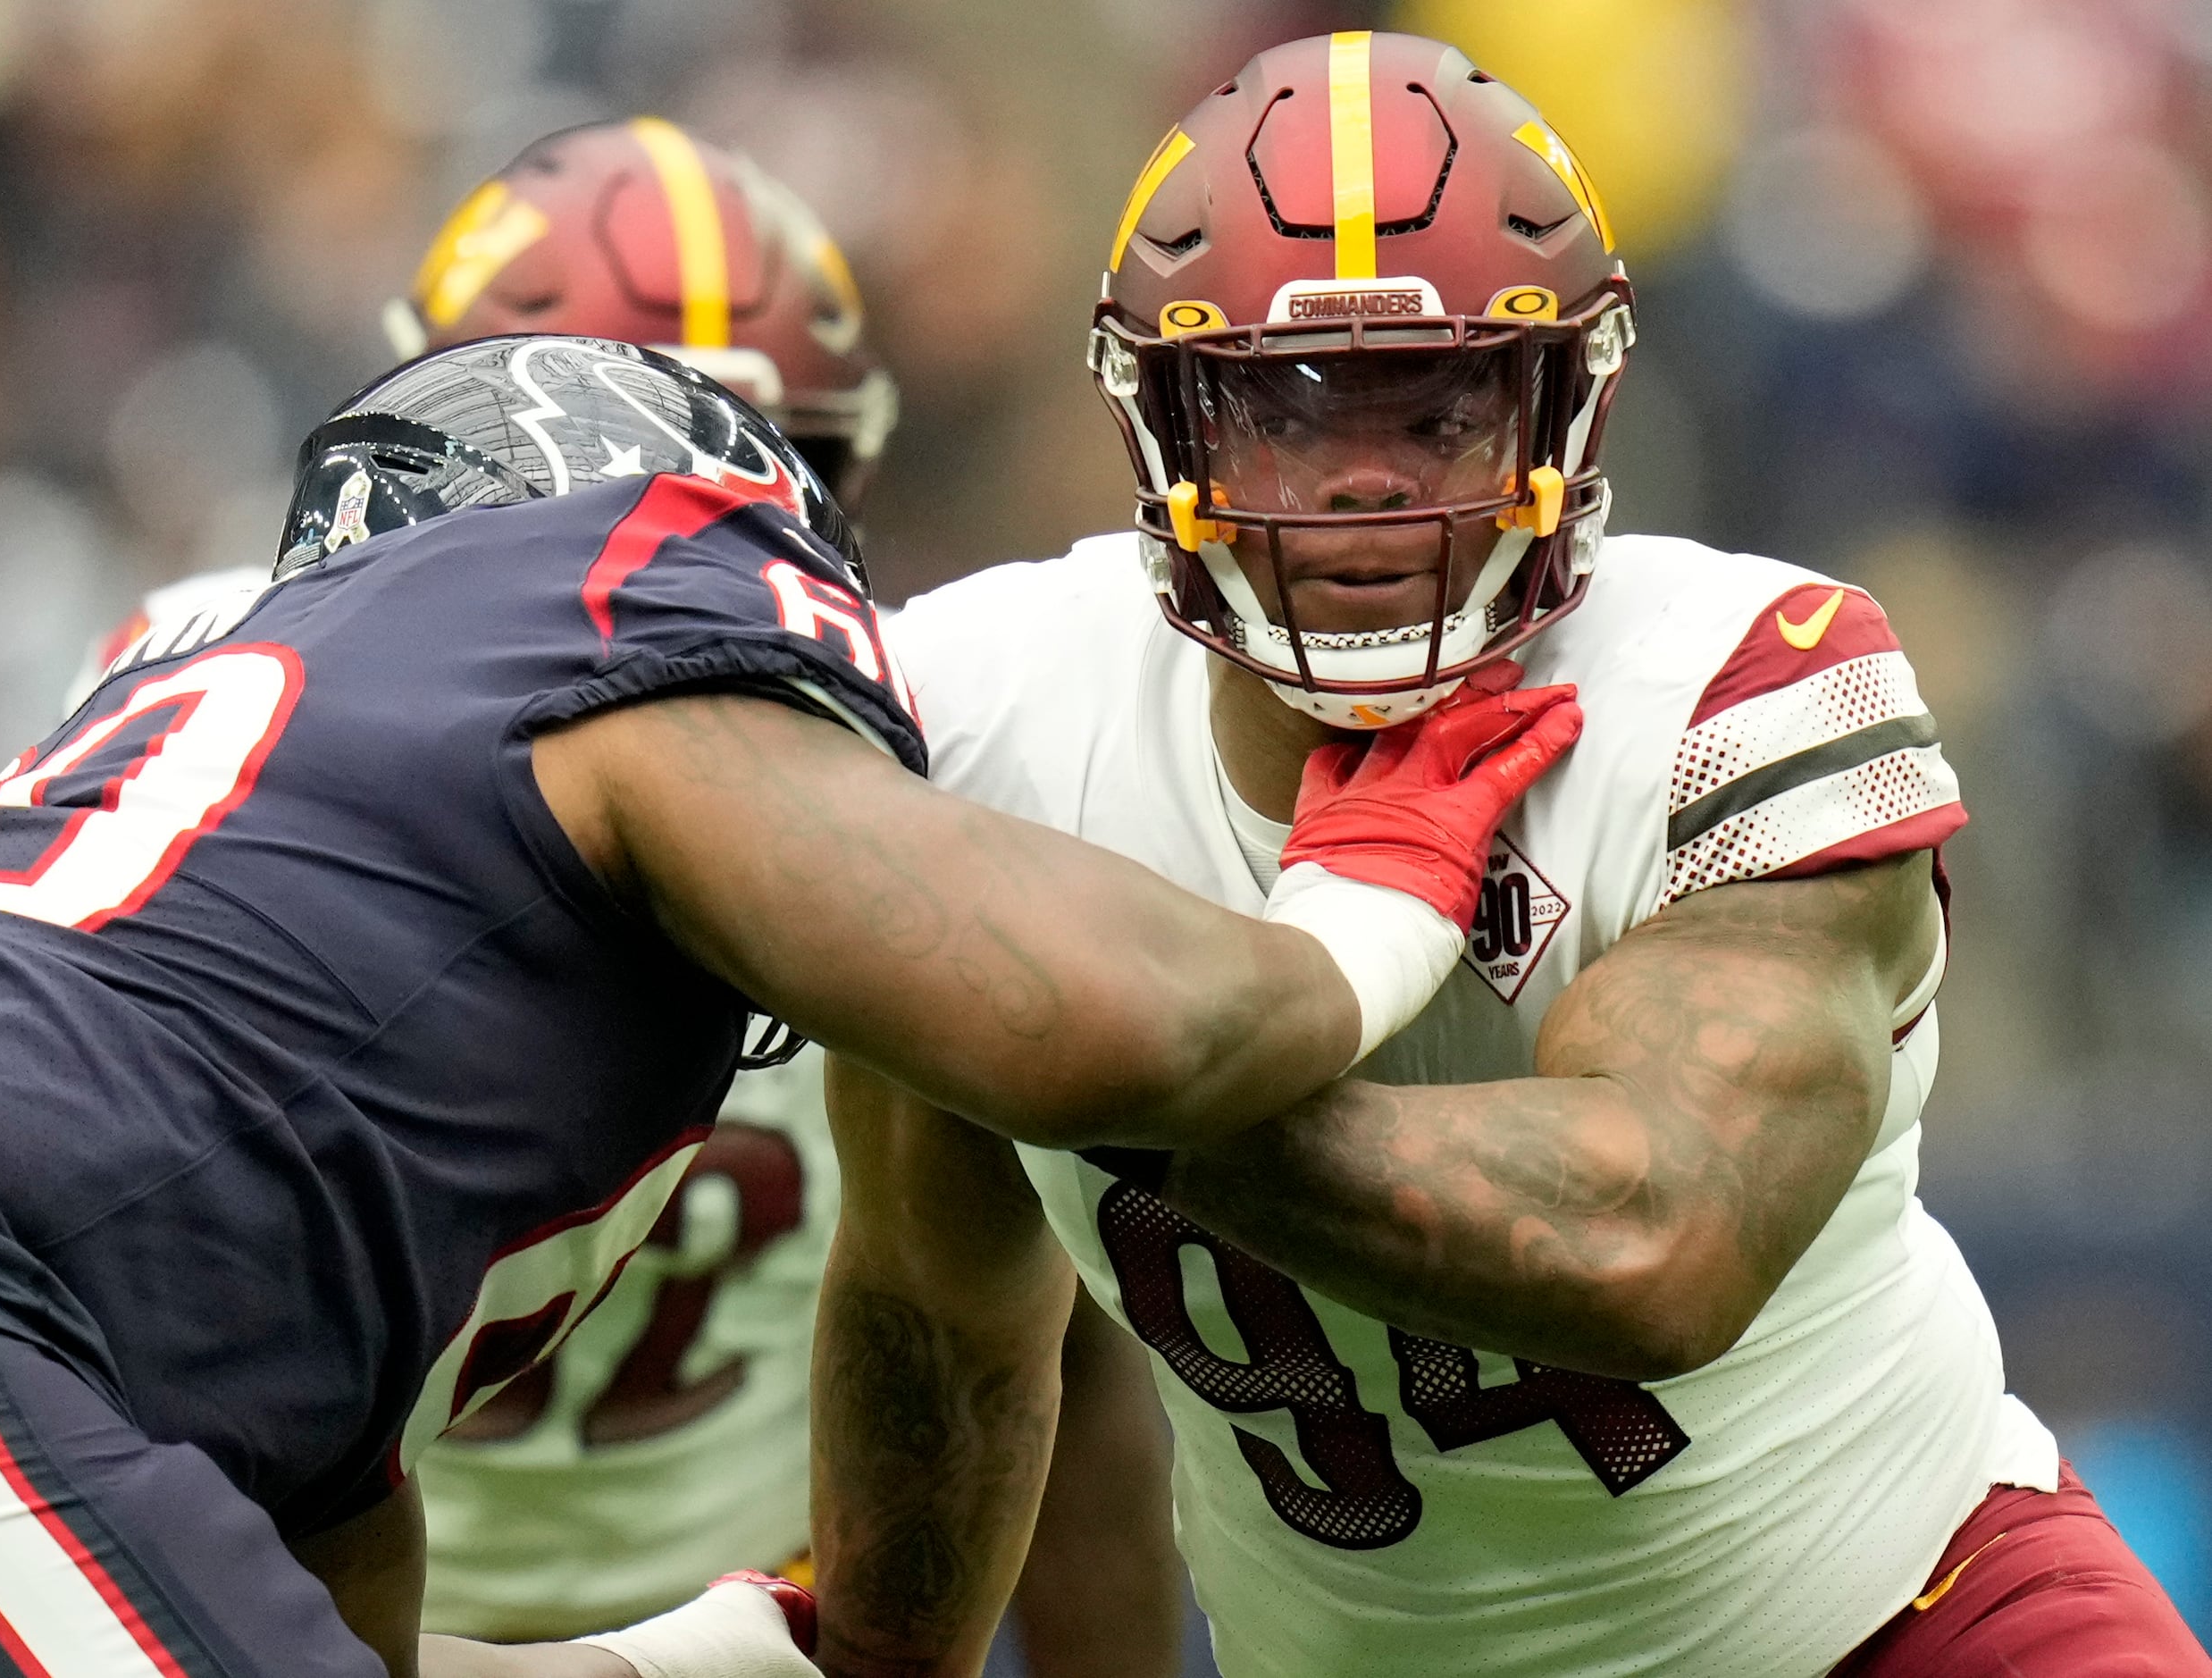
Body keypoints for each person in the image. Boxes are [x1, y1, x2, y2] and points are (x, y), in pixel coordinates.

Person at [810, 31, 2212, 1678]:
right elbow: (940, 1320)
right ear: (1162, 422)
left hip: (1897, 1620)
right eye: (1278, 407)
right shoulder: (978, 715)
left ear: (1569, 404)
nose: (1362, 484)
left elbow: (1650, 1240)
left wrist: (1078, 1034)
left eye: (1443, 402)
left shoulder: (1737, 682)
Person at [0, 331, 1573, 1678]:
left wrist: (708, 1650)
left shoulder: (265, 982)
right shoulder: (591, 614)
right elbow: (1109, 1028)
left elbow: (337, 1649)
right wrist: (1368, 893)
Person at [69, 118, 1186, 1665]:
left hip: (752, 1609)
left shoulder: (941, 734)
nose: (645, 574)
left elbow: (1039, 1346)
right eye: (570, 493)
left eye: (733, 494)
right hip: (331, 1603)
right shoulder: (204, 678)